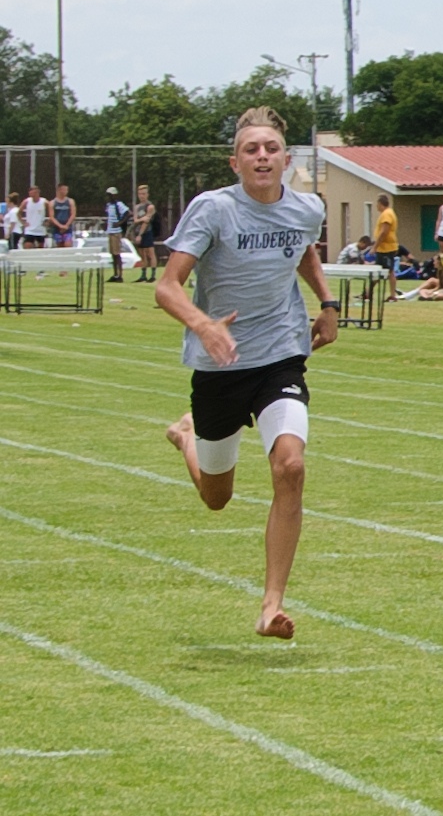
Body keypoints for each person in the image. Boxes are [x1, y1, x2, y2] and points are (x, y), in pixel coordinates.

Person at [157, 105, 337, 640]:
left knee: (291, 466)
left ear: (286, 159)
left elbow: (301, 249)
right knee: (217, 497)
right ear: (235, 162)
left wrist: (327, 303)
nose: (262, 156)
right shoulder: (213, 210)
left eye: (271, 148)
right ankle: (186, 434)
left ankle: (271, 605)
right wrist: (203, 325)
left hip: (281, 353)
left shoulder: (307, 207)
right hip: (221, 363)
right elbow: (167, 286)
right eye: (251, 149)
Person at [372, 193, 399, 301]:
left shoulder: (387, 214)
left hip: (386, 248)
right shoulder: (387, 213)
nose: (376, 206)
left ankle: (393, 295)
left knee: (389, 271)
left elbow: (384, 232)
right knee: (379, 271)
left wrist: (375, 247)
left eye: (377, 204)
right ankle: (368, 292)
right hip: (383, 248)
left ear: (380, 203)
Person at [131, 184, 159, 282]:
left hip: (147, 232)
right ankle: (143, 275)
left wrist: (140, 235)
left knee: (150, 253)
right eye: (140, 194)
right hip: (138, 231)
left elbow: (147, 221)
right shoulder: (137, 207)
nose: (141, 196)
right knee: (142, 254)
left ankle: (153, 275)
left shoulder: (150, 206)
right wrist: (142, 219)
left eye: (143, 194)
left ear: (147, 194)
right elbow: (135, 220)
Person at [103, 187, 130, 282]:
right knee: (113, 254)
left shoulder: (118, 204)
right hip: (110, 231)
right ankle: (115, 274)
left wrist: (119, 223)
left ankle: (119, 275)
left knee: (117, 253)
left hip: (116, 232)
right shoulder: (108, 205)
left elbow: (128, 213)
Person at [20, 185, 49, 249]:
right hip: (30, 230)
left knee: (40, 248)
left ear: (38, 192)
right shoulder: (26, 201)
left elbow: (52, 211)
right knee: (28, 246)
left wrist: (48, 222)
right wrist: (23, 222)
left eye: (34, 192)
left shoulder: (44, 202)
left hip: (40, 230)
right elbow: (19, 213)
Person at [48, 182, 75, 248]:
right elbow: (52, 217)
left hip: (67, 226)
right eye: (64, 190)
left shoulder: (70, 201)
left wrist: (66, 225)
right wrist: (60, 226)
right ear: (59, 190)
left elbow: (73, 214)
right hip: (57, 227)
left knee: (68, 244)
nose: (66, 191)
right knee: (59, 245)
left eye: (66, 190)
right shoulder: (52, 203)